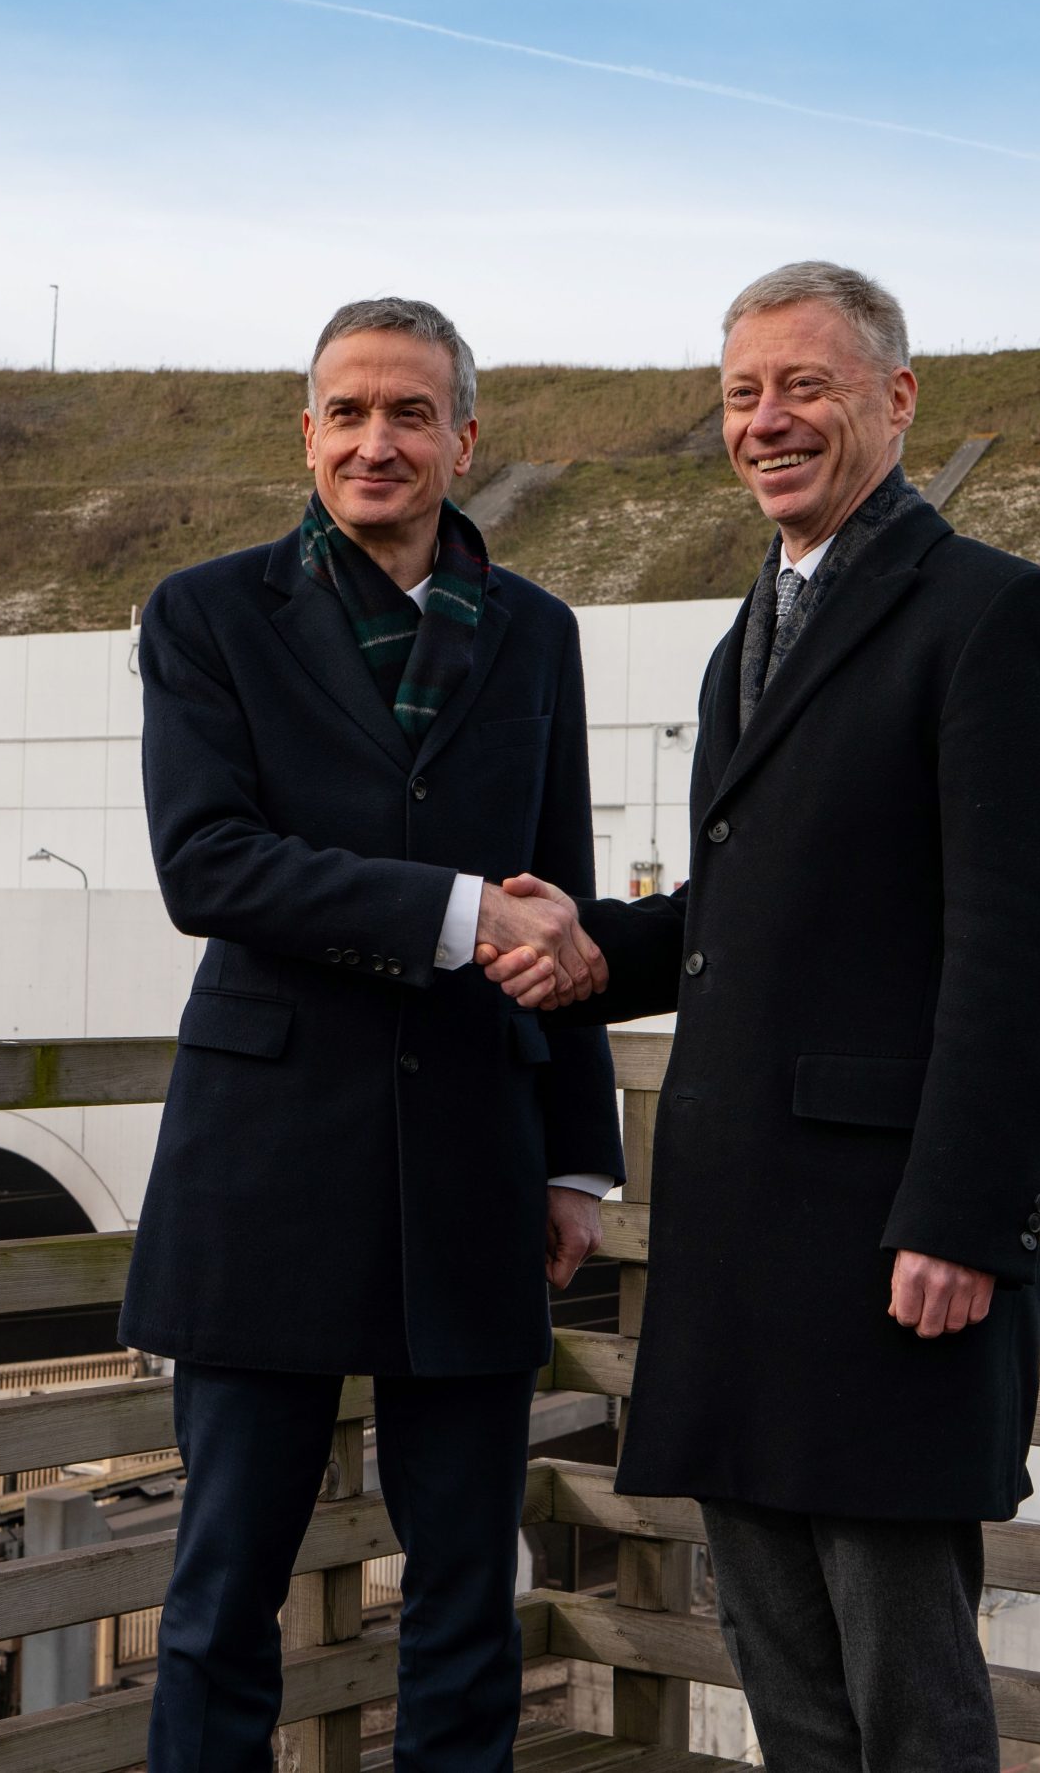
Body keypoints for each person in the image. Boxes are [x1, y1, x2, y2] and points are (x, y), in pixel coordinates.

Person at [485, 262, 1040, 1771]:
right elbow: (745, 913)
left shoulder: (995, 615)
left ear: (897, 398)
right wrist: (592, 955)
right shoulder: (749, 631)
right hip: (749, 1239)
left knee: (905, 1686)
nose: (769, 421)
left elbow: (1025, 949)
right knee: (788, 1682)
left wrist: (964, 1216)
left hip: (892, 1239)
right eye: (744, 393)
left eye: (806, 385)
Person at [121, 296, 622, 1773]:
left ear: (465, 439)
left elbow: (563, 901)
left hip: (473, 1145)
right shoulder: (206, 613)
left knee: (469, 1585)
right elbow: (205, 864)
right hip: (266, 1161)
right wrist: (459, 915)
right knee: (226, 1586)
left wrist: (578, 1155)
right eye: (347, 412)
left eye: (410, 413)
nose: (376, 440)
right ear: (308, 435)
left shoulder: (536, 633)